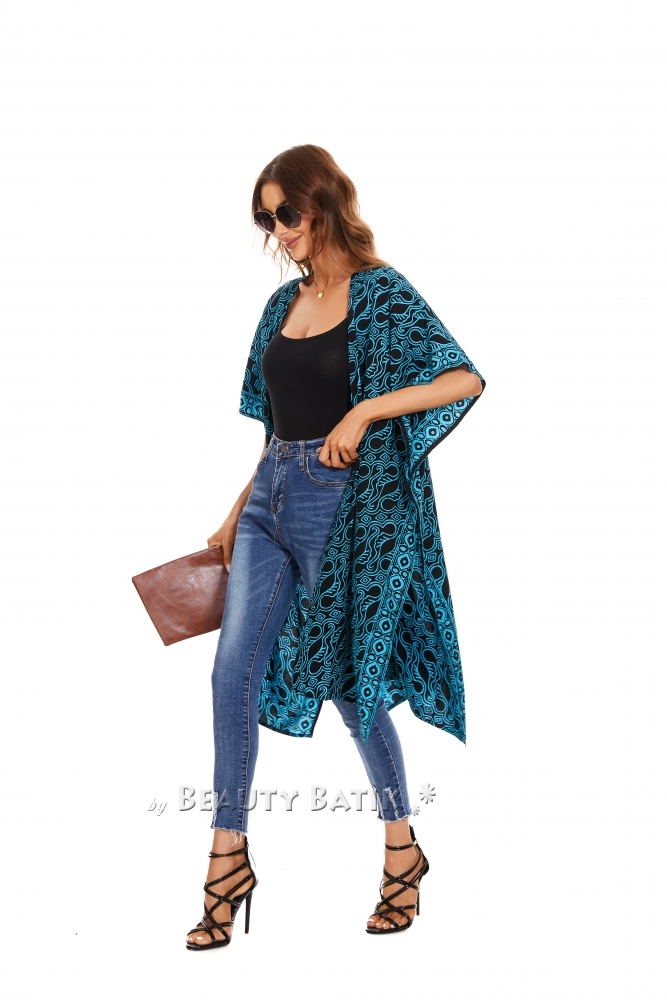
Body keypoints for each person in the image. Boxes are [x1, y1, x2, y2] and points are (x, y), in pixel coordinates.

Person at [185, 145, 485, 949]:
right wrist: (237, 509)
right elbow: (271, 426)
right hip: (270, 501)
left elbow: (461, 378)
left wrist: (363, 412)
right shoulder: (280, 304)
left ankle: (401, 848)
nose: (278, 230)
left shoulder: (381, 292)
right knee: (230, 674)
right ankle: (227, 857)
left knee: (352, 683)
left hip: (341, 504)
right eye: (266, 217)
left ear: (322, 203)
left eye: (287, 212)